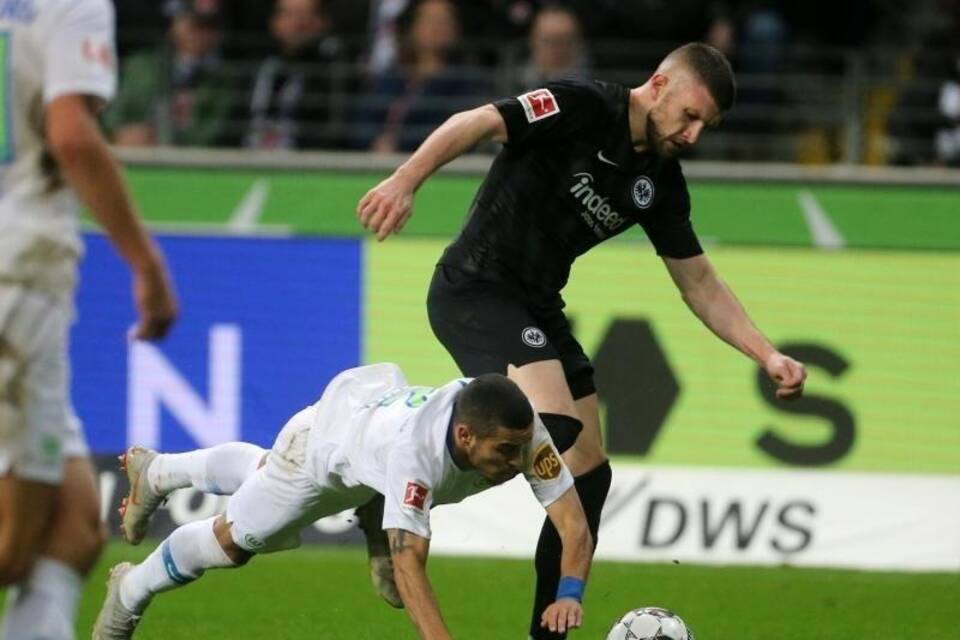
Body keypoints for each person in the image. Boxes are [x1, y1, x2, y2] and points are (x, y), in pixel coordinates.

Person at [356, 42, 807, 639]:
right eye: (691, 115)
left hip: (539, 307)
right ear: (659, 85)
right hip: (476, 289)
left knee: (589, 474)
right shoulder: (583, 105)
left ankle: (548, 634)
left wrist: (766, 353)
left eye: (708, 127)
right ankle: (389, 500)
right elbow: (480, 121)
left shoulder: (661, 182)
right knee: (552, 431)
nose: (694, 135)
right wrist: (405, 179)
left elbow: (698, 281)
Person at [93, 364, 593, 639]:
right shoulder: (414, 459)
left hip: (365, 437)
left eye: (519, 449)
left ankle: (159, 471)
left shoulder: (521, 432)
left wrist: (569, 592)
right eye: (504, 452)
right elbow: (410, 566)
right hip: (319, 453)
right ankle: (131, 589)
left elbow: (573, 522)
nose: (515, 462)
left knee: (261, 473)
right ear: (464, 436)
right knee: (233, 542)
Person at [0, 1, 179, 638]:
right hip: (16, 275)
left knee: (75, 525)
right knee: (13, 550)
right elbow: (72, 133)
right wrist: (147, 265)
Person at [104, 0, 234, 147]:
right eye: (194, 25)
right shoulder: (141, 65)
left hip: (189, 162)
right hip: (132, 152)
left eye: (210, 28)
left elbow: (216, 133)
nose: (201, 34)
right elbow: (113, 114)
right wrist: (126, 133)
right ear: (175, 24)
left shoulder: (226, 79)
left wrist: (162, 141)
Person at [243, 0, 346, 150]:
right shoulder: (257, 64)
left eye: (303, 16)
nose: (296, 25)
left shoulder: (331, 68)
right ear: (274, 21)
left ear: (321, 22)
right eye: (287, 14)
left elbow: (332, 130)